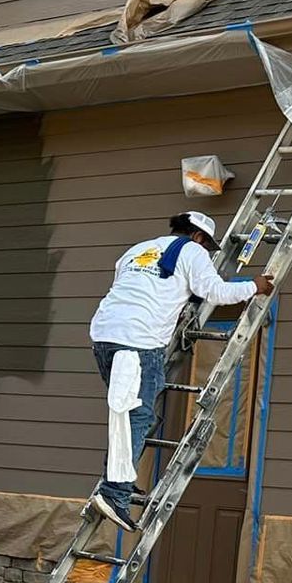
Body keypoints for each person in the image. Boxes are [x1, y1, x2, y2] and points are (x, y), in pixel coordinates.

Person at [87, 210, 272, 533]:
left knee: (133, 414)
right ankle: (114, 492)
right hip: (137, 342)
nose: (207, 253)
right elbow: (216, 293)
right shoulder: (192, 251)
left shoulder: (138, 249)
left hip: (105, 336)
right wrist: (254, 286)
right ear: (198, 236)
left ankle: (119, 480)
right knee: (136, 416)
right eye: (207, 246)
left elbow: (137, 288)